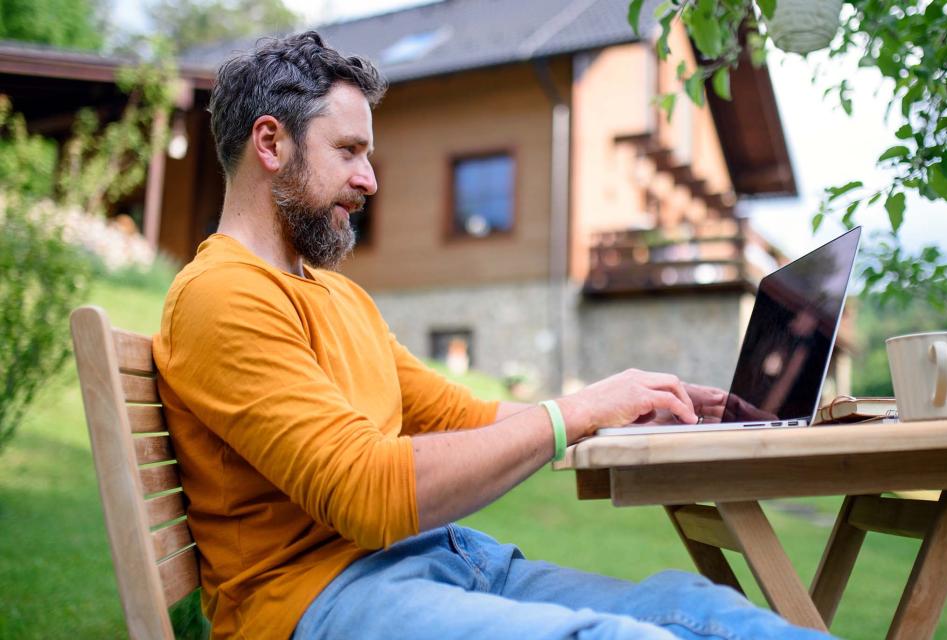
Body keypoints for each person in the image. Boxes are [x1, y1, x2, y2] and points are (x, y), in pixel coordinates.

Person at [152, 31, 832, 640]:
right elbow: (367, 494)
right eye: (350, 152)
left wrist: (622, 410)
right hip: (318, 601)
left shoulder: (338, 296)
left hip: (448, 561)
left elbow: (460, 417)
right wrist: (573, 415)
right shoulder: (222, 296)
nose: (370, 179)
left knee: (701, 611)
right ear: (270, 143)